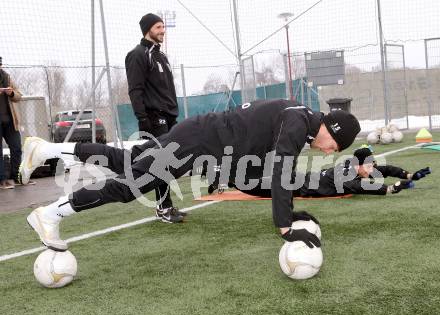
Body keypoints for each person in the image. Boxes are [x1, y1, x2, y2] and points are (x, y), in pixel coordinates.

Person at [19, 99, 360, 251]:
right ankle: (48, 214)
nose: (331, 153)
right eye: (336, 146)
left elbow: (255, 180)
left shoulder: (297, 117)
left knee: (128, 161)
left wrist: (289, 211)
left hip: (197, 139)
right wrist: (285, 227)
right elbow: (282, 170)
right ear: (331, 129)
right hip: (196, 142)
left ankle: (44, 150)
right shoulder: (298, 122)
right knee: (131, 186)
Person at [125, 13, 184, 223]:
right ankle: (163, 208)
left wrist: (173, 112)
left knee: (170, 160)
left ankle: (166, 205)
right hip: (153, 117)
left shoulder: (161, 56)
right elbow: (135, 90)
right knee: (161, 161)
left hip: (168, 116)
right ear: (148, 29)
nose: (162, 30)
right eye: (158, 27)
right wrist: (142, 119)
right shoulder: (138, 54)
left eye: (163, 27)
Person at [230, 145, 431, 198]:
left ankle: (232, 176)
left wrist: (409, 175)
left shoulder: (356, 167)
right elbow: (358, 187)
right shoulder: (347, 175)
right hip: (295, 186)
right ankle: (229, 179)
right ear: (359, 165)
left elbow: (385, 169)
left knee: (257, 178)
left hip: (301, 178)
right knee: (252, 186)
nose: (372, 169)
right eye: (369, 166)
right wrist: (390, 189)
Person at [0, 56, 23, 189]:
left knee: (16, 148)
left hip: (10, 121)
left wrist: (12, 93)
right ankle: (2, 180)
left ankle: (16, 176)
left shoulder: (7, 77)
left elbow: (19, 95)